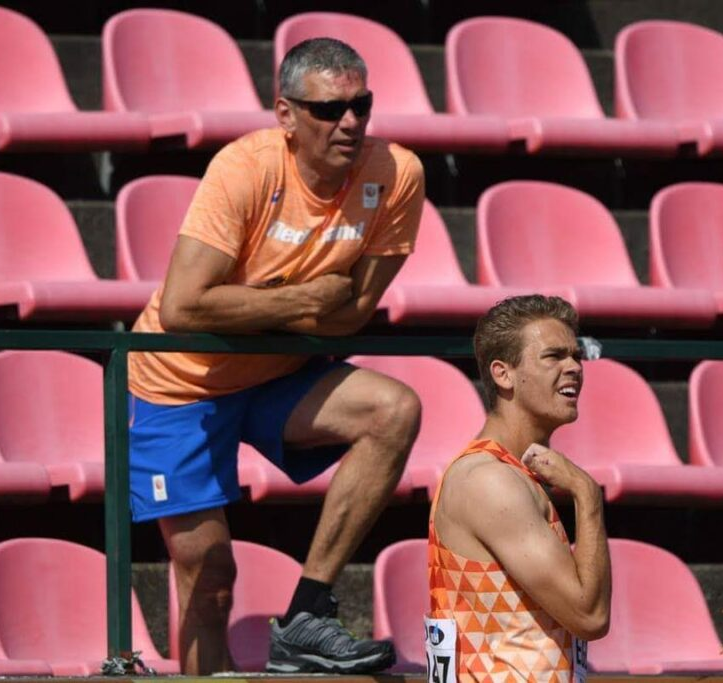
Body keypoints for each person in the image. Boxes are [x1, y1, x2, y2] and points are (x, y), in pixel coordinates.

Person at [127, 37, 425, 675]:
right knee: (210, 576)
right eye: (329, 109)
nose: (350, 122)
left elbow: (354, 314)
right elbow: (183, 308)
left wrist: (253, 305)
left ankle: (307, 614)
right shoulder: (246, 168)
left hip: (274, 374)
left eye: (362, 105)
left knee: (393, 410)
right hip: (178, 383)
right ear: (286, 114)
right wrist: (304, 299)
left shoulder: (397, 174)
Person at [427, 295, 611, 683]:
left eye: (576, 356)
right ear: (503, 374)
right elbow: (590, 616)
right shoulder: (489, 480)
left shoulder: (506, 473)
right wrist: (587, 494)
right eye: (553, 356)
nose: (574, 367)